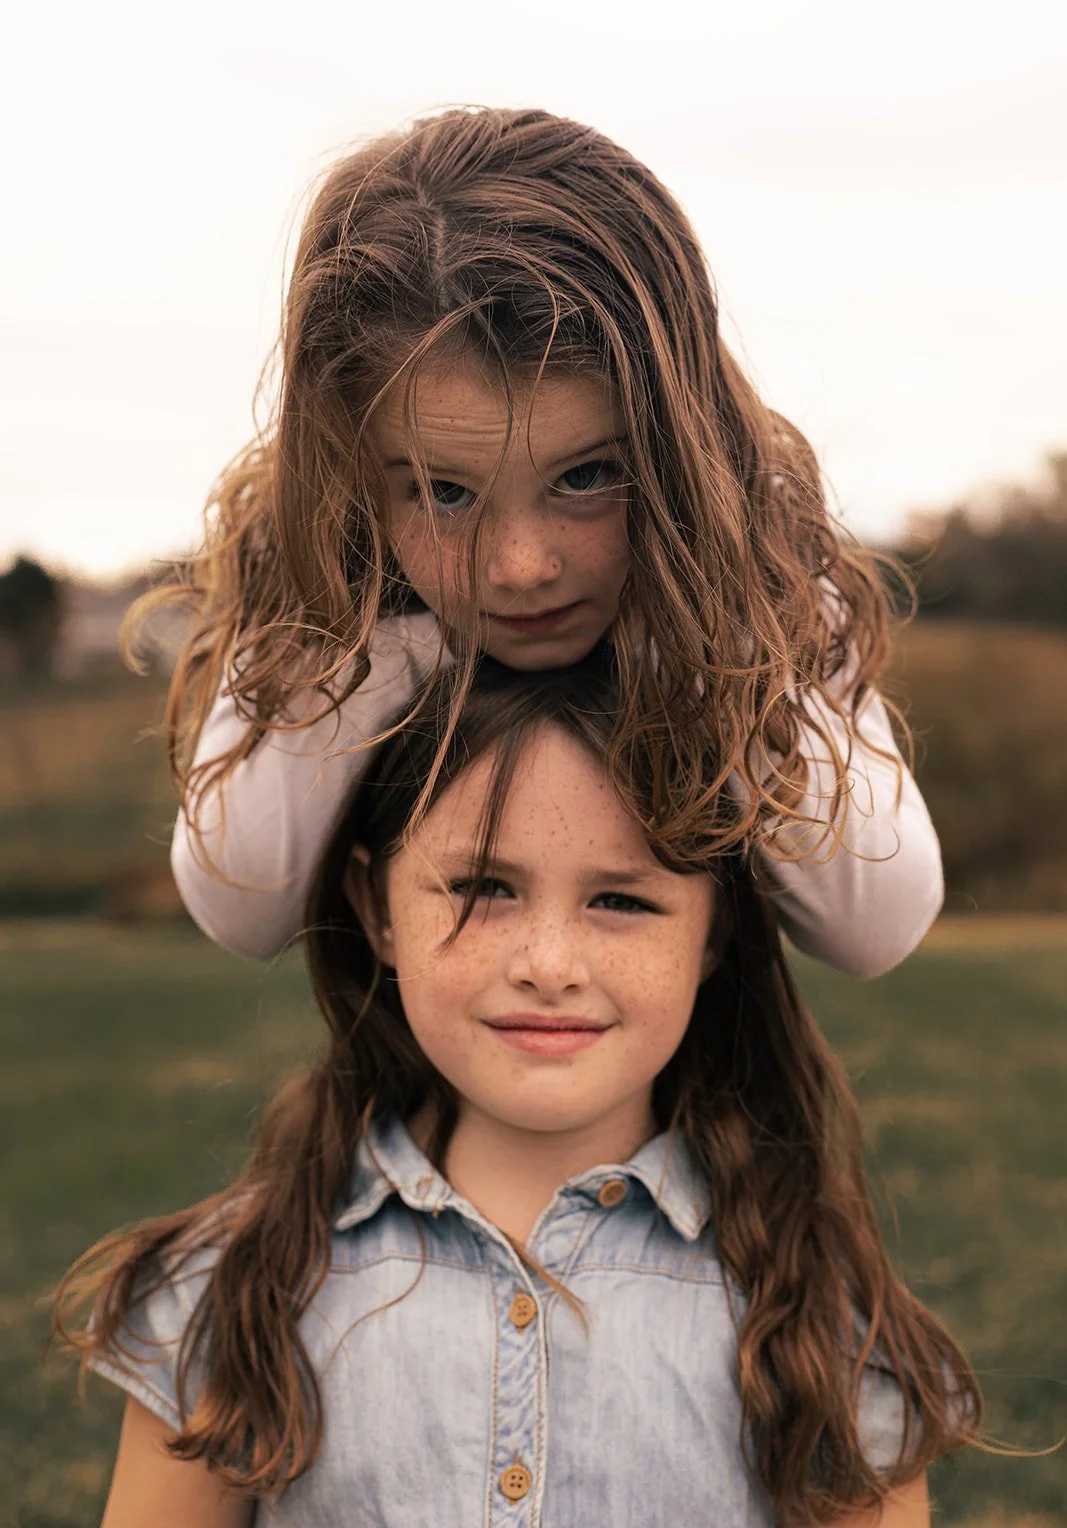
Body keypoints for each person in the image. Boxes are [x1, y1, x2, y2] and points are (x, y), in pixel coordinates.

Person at [55, 658, 978, 1528]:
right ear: (376, 907)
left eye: (620, 899)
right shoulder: (232, 1289)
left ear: (711, 935)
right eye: (483, 887)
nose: (549, 963)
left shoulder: (811, 1312)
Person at [140, 105, 943, 976]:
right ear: (352, 473)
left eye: (588, 476)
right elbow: (239, 904)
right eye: (443, 493)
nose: (520, 567)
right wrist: (385, 647)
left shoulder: (751, 561)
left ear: (681, 451)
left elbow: (878, 927)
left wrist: (699, 637)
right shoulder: (320, 575)